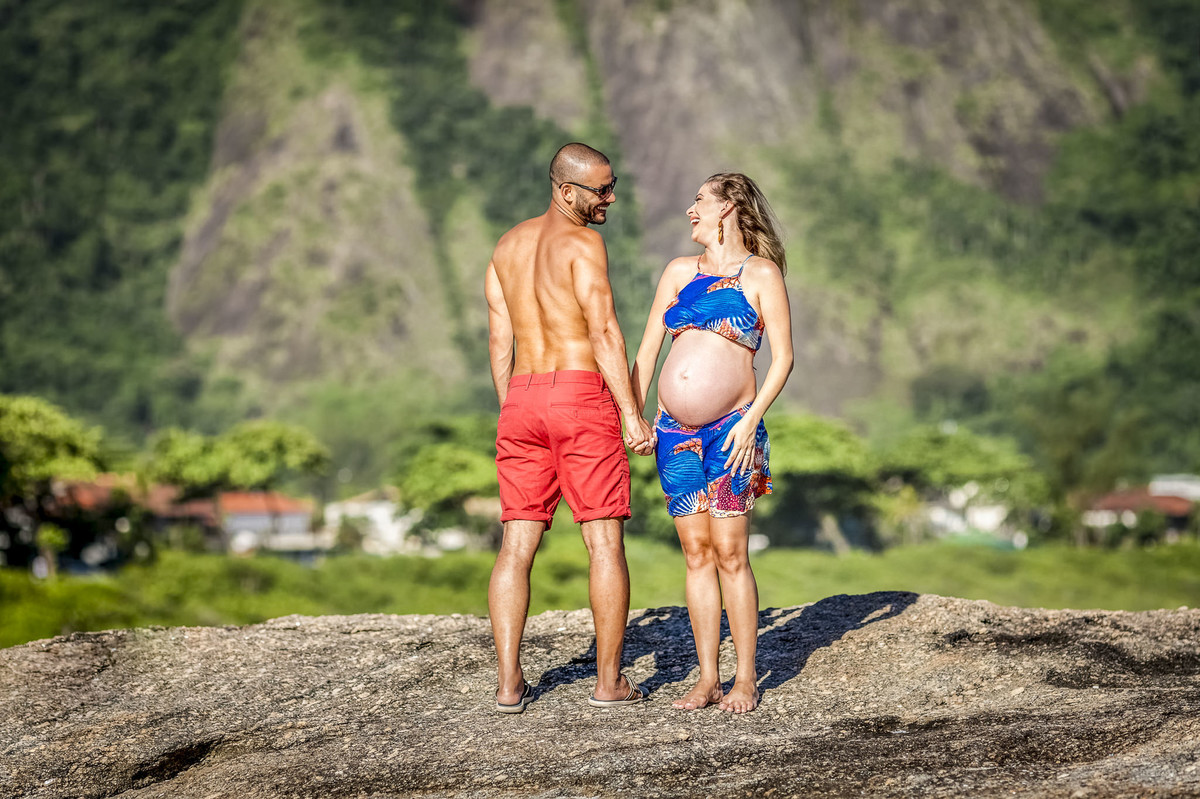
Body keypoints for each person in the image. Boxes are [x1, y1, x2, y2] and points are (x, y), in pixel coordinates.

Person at [485, 142, 655, 714]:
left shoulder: (506, 246)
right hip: (580, 395)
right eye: (601, 189)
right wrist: (632, 412)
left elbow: (499, 341)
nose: (611, 197)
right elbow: (604, 330)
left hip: (522, 399)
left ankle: (509, 685)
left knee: (515, 545)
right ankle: (609, 683)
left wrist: (513, 407)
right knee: (603, 542)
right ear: (567, 191)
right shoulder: (584, 243)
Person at [630, 172, 793, 714]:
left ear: (728, 207)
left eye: (700, 200)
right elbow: (647, 351)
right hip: (675, 435)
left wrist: (752, 421)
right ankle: (707, 679)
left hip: (733, 431)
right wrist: (634, 415)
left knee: (730, 553)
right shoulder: (678, 271)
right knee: (696, 553)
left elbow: (783, 359)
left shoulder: (761, 274)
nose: (690, 210)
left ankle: (745, 679)